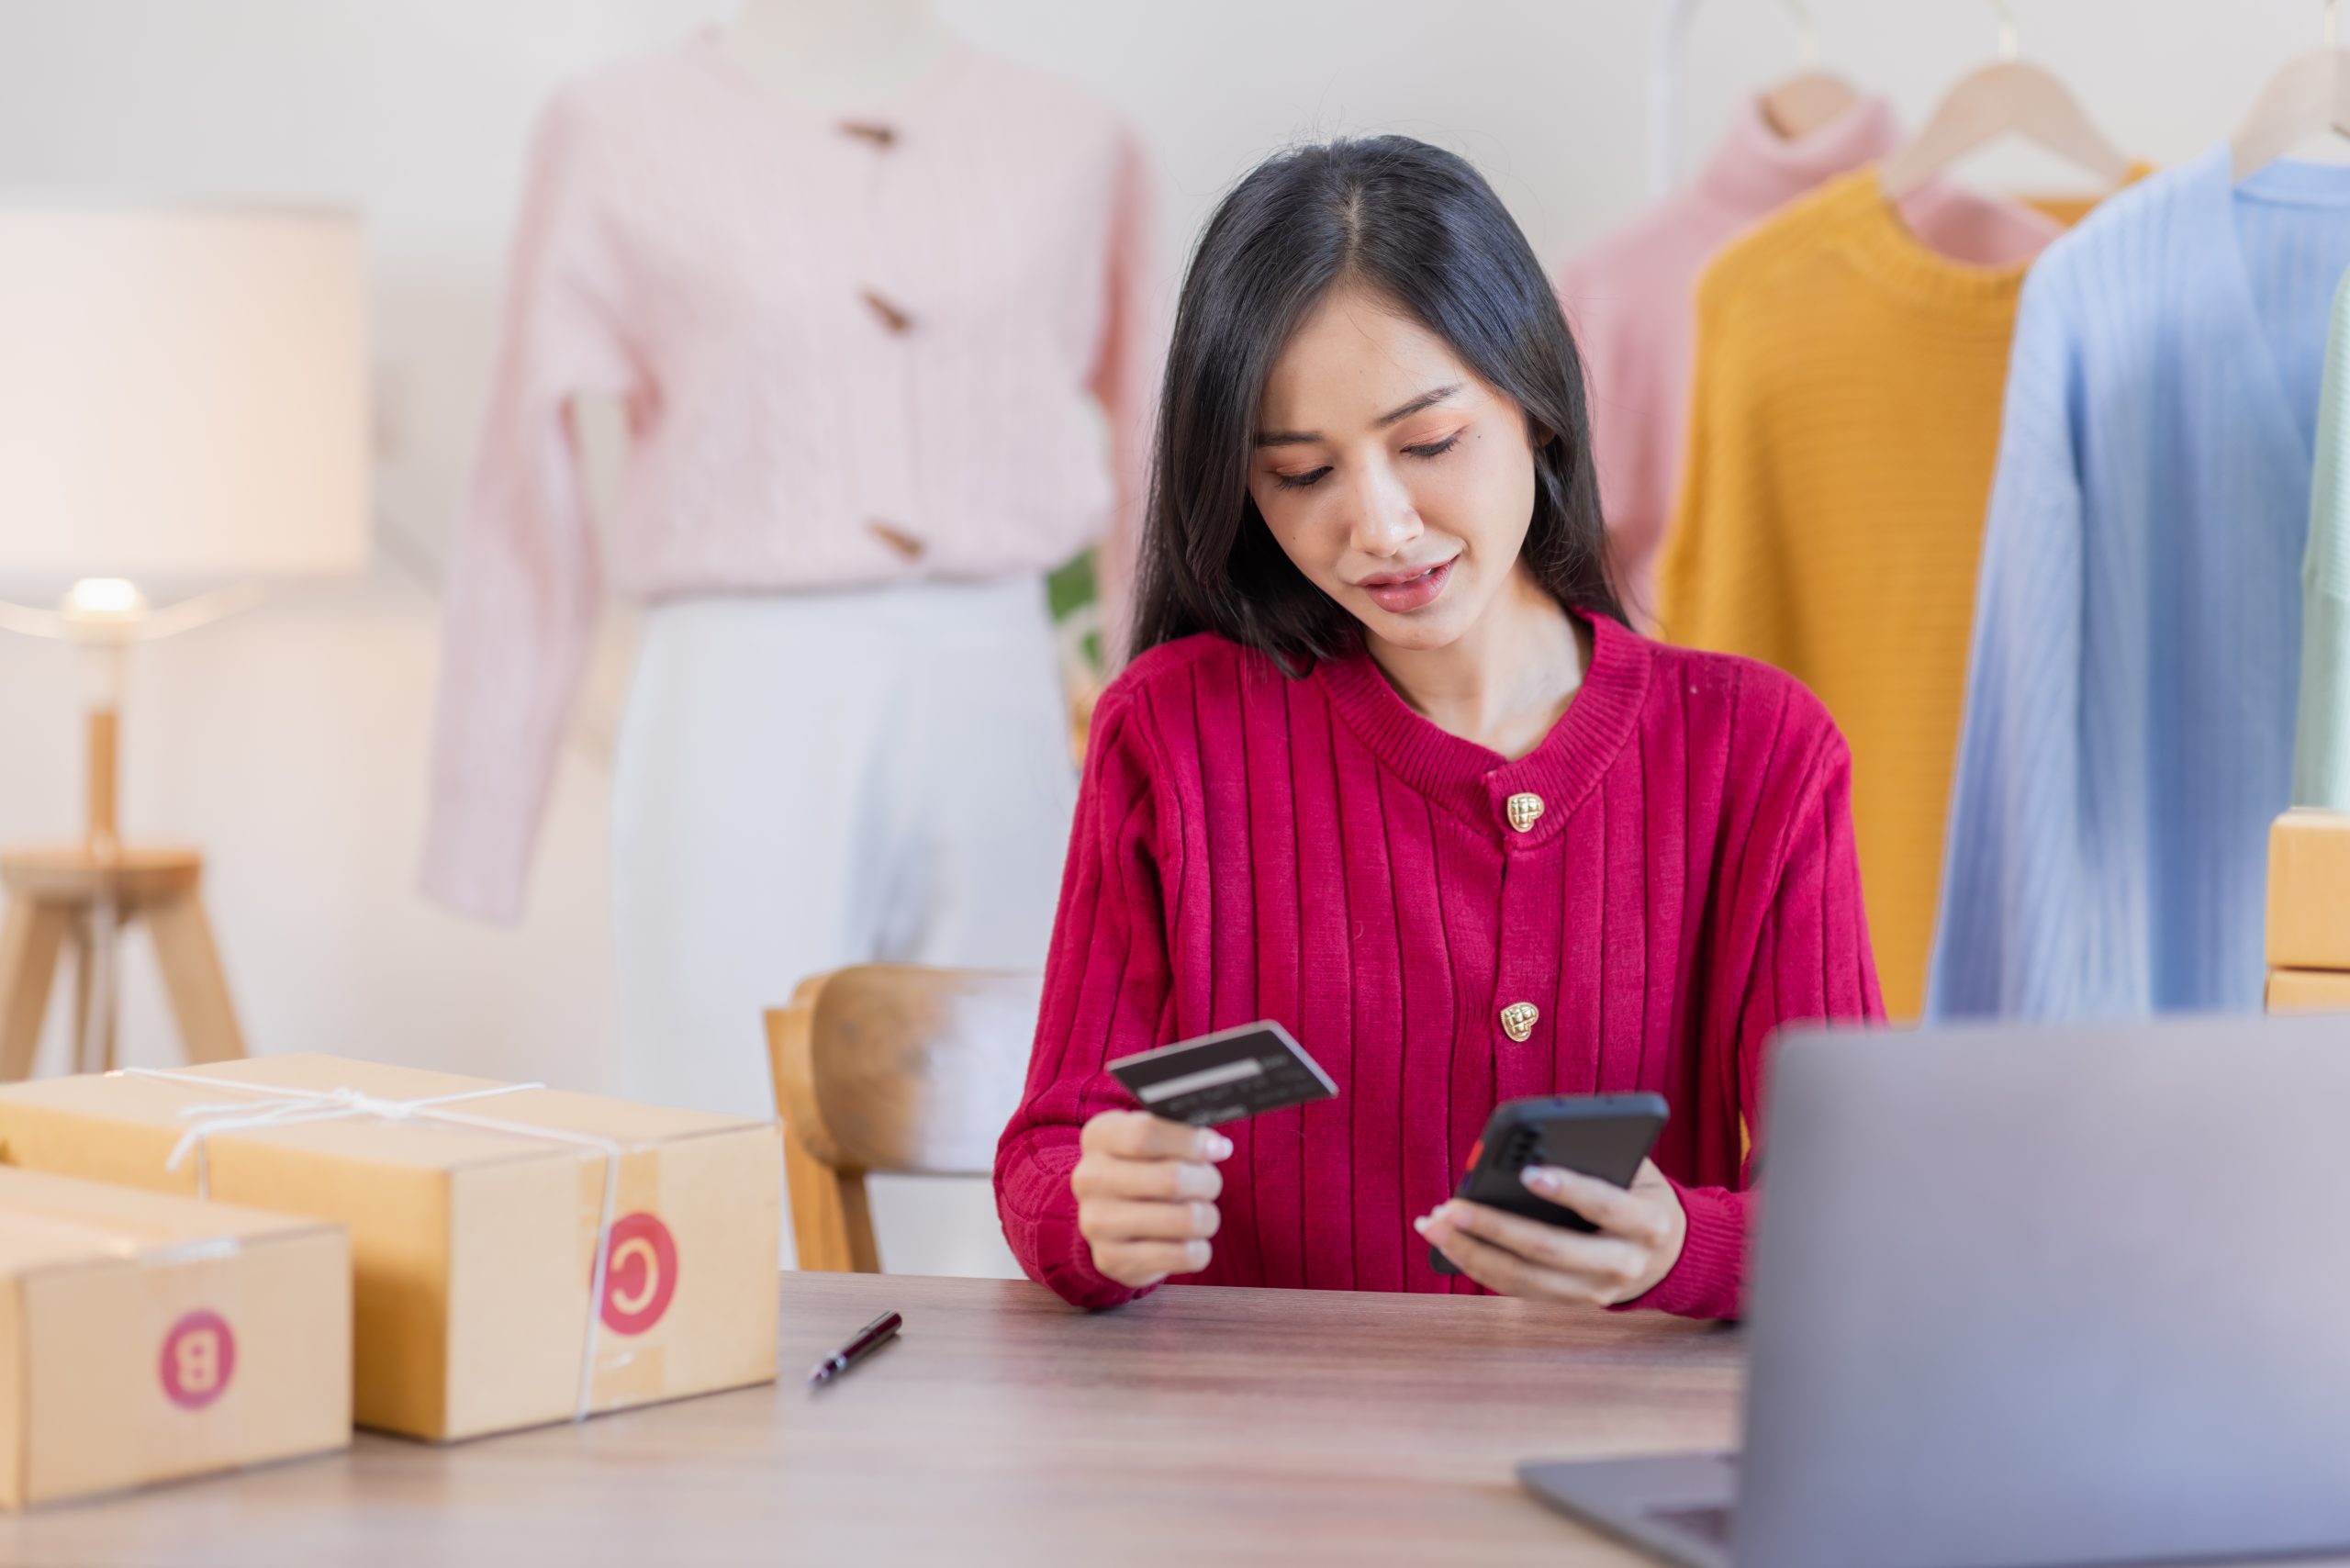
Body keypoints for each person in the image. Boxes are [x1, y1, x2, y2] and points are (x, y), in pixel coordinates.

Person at [994, 135, 1882, 1317]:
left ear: (1537, 406)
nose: (1381, 525)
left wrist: (1689, 1249)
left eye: (1427, 444)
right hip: (1259, 1472)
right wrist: (1093, 1212)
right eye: (1302, 474)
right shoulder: (1172, 730)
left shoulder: (1758, 749)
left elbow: (1858, 1214)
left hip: (1611, 1459)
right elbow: (1052, 1151)